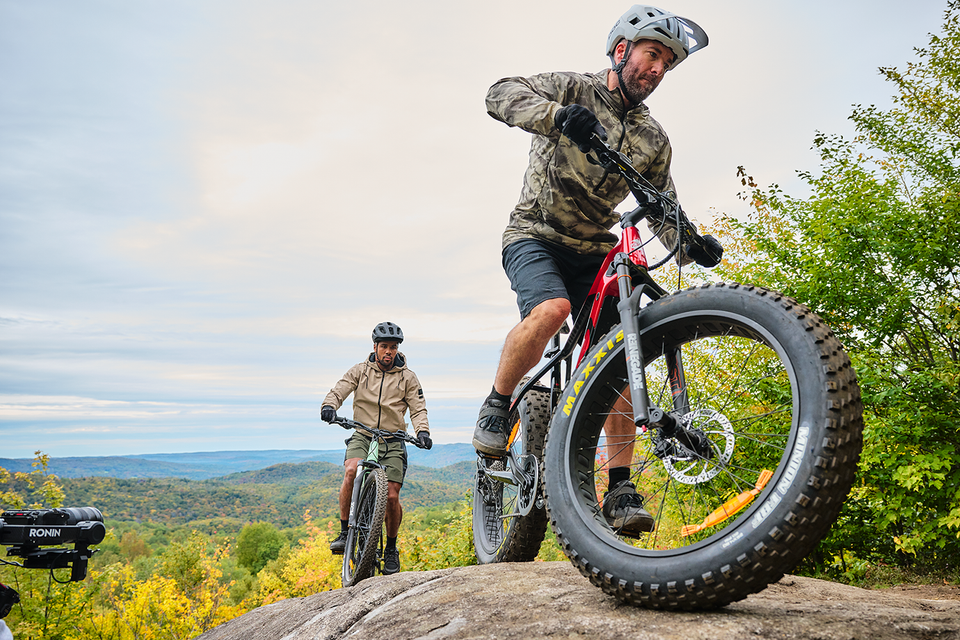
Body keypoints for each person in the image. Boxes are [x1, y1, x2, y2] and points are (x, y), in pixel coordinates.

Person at [472, 5, 721, 536]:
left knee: (618, 352)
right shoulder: (573, 89)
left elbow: (661, 203)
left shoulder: (653, 139)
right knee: (552, 308)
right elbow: (499, 93)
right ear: (620, 50)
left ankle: (621, 486)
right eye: (652, 54)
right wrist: (558, 117)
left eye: (666, 64)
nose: (656, 69)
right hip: (534, 235)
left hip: (594, 250)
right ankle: (497, 404)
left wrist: (689, 244)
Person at [320, 321, 431, 575]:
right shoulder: (360, 371)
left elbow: (418, 408)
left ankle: (390, 548)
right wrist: (330, 405)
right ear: (375, 347)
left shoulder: (408, 378)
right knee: (351, 470)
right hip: (363, 434)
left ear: (397, 349)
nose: (388, 352)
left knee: (391, 495)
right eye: (384, 347)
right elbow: (340, 389)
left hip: (392, 441)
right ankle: (345, 531)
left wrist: (422, 431)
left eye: (393, 347)